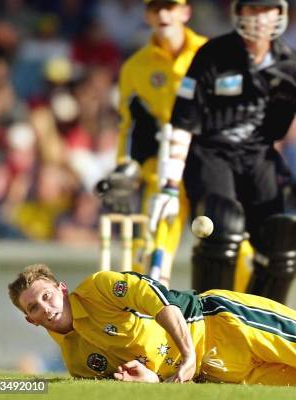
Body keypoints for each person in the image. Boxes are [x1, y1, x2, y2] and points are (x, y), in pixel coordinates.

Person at [8, 264, 296, 389]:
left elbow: (163, 302)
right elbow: (144, 377)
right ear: (28, 320)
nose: (44, 307)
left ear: (62, 289)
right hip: (219, 370)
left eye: (46, 295)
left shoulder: (101, 288)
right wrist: (153, 382)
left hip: (223, 323)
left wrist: (185, 355)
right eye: (34, 307)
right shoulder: (74, 361)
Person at [160, 0, 296, 302]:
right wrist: (168, 185)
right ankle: (211, 316)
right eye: (252, 9)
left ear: (280, 14)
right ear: (238, 12)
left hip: (259, 156)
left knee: (281, 237)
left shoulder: (292, 67)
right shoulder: (212, 55)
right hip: (211, 153)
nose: (259, 17)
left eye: (266, 9)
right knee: (221, 223)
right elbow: (182, 122)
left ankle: (258, 321)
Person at [102, 0, 206, 285]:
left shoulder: (210, 54)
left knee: (225, 238)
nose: (163, 14)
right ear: (147, 15)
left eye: (170, 7)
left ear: (185, 12)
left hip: (208, 162)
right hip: (161, 167)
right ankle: (151, 302)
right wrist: (124, 167)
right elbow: (129, 124)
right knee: (151, 246)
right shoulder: (135, 67)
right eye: (156, 8)